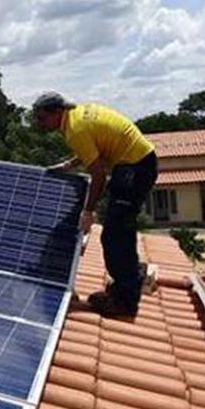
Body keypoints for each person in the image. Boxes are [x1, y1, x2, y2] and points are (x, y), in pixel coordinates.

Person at [32, 91, 158, 318]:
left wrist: (87, 211)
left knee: (116, 234)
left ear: (57, 112)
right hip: (135, 164)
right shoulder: (76, 116)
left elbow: (98, 175)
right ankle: (120, 290)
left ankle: (125, 303)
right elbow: (94, 147)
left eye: (42, 118)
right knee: (118, 232)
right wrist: (70, 164)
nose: (39, 123)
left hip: (134, 168)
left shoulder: (75, 130)